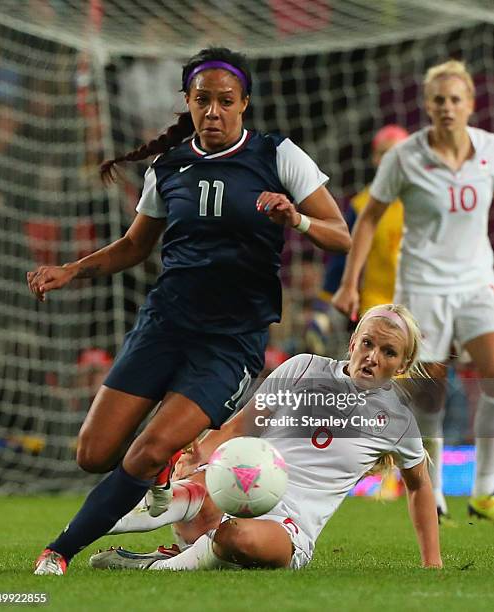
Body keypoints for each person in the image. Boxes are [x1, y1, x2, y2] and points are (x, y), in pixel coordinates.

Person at [28, 46, 351, 575]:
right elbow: (135, 247)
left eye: (226, 101)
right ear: (188, 101)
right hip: (165, 325)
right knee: (92, 453)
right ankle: (157, 485)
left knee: (149, 449)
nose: (214, 112)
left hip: (230, 341)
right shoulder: (170, 165)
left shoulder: (278, 156)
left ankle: (59, 550)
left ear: (244, 103)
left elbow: (340, 234)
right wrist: (72, 270)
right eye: (203, 100)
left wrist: (297, 220)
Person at [89, 304, 442, 571]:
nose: (372, 357)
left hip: (288, 528)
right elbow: (242, 426)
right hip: (237, 487)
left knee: (235, 539)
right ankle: (83, 530)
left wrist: (433, 562)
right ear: (352, 343)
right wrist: (197, 457)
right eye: (367, 343)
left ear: (403, 365)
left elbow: (419, 485)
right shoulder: (304, 369)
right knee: (195, 488)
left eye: (388, 352)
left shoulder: (396, 422)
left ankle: (155, 567)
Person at [332, 60, 494, 522]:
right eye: (439, 100)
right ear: (427, 105)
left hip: (477, 280)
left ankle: (485, 490)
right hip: (422, 286)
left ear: (470, 104)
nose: (447, 107)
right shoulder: (405, 157)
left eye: (455, 99)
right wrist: (349, 282)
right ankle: (435, 488)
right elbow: (368, 218)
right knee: (431, 397)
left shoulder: (489, 150)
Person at [306, 124, 409, 359]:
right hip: (377, 306)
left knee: (431, 384)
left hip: (421, 303)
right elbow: (342, 258)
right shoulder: (361, 206)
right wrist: (323, 309)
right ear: (374, 158)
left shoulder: (426, 199)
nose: (391, 159)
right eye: (385, 153)